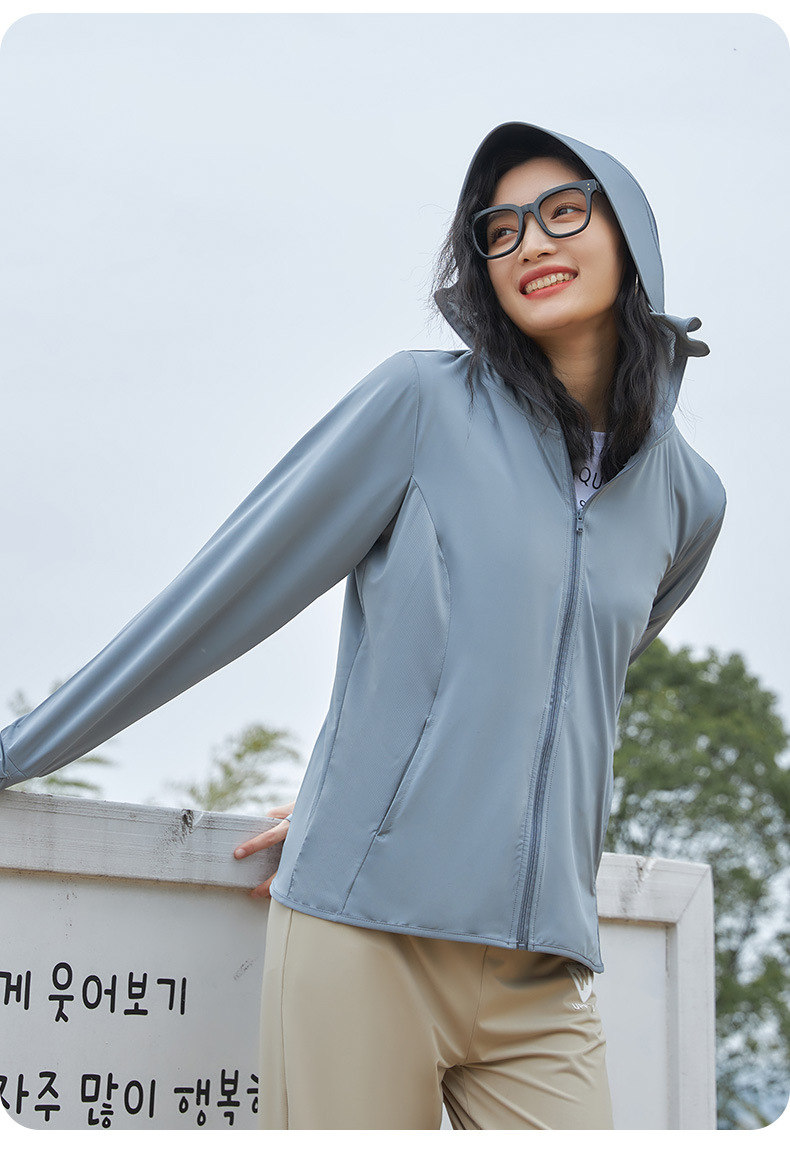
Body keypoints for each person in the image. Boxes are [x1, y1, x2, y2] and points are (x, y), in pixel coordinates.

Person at [0, 121, 726, 1130]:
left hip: (543, 972)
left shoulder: (689, 499)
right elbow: (218, 593)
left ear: (630, 234)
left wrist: (422, 764)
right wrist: (16, 751)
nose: (530, 242)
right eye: (500, 229)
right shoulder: (420, 405)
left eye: (564, 212)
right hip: (362, 936)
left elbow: (569, 675)